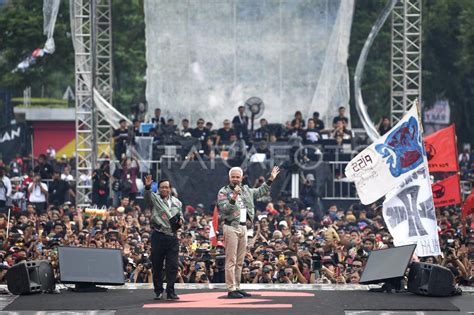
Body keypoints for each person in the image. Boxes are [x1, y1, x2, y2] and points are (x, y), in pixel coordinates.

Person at [217, 166, 280, 298]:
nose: (235, 179)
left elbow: (260, 191)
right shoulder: (223, 191)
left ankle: (237, 286)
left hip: (244, 226)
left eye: (237, 177)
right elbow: (225, 210)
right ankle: (230, 288)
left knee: (240, 260)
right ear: (229, 178)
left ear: (241, 178)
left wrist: (270, 179)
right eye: (233, 177)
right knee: (231, 259)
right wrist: (233, 196)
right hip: (231, 226)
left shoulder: (246, 190)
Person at [144, 175, 183, 301]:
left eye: (167, 187)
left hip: (172, 236)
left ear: (170, 189)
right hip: (158, 234)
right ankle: (158, 291)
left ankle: (171, 291)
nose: (164, 189)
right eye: (162, 187)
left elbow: (180, 215)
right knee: (157, 264)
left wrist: (181, 220)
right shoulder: (154, 199)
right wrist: (148, 187)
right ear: (159, 189)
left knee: (172, 265)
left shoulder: (177, 202)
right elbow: (148, 197)